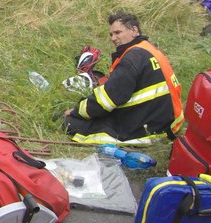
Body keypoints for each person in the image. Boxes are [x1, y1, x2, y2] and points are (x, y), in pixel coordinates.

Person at [63, 11, 183, 144]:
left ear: (134, 30)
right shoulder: (148, 48)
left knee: (70, 124)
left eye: (118, 33)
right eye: (111, 34)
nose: (113, 38)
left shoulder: (132, 58)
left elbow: (107, 99)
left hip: (150, 129)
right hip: (169, 121)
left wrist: (76, 112)